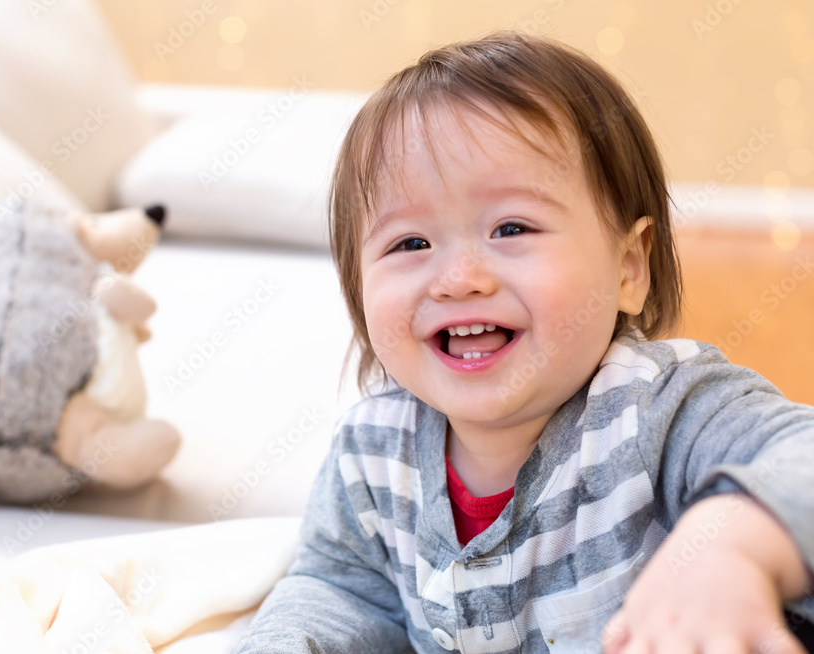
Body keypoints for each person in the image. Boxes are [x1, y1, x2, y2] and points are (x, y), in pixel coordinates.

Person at [231, 30, 814, 653]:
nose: (459, 279)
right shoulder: (373, 456)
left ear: (627, 269)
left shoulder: (659, 410)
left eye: (511, 228)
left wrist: (733, 544)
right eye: (410, 244)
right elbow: (338, 591)